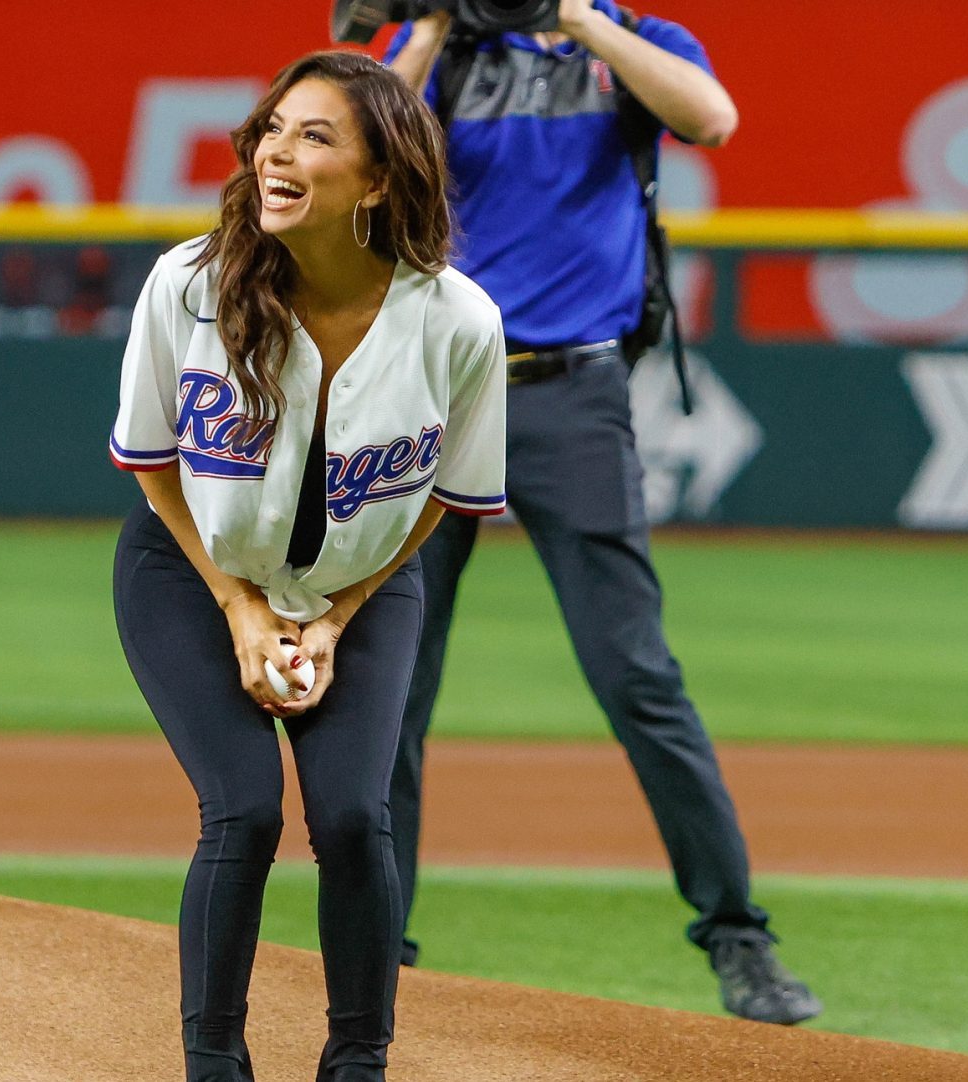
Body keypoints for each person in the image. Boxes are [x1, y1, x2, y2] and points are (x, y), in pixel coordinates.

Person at [382, 0, 823, 1025]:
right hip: (427, 390)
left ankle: (738, 934)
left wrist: (577, 18)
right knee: (392, 686)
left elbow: (711, 120)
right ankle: (375, 950)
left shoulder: (636, 43)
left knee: (635, 672)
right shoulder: (438, 49)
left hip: (569, 394)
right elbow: (363, 140)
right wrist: (440, 24)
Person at [107, 50, 507, 1082]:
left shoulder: (458, 320)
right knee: (242, 805)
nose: (278, 151)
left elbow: (447, 504)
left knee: (349, 813)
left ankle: (358, 1062)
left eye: (315, 135)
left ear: (379, 179)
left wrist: (336, 616)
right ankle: (214, 1062)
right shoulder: (188, 284)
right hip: (191, 568)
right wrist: (243, 609)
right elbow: (153, 469)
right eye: (274, 128)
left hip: (367, 587)